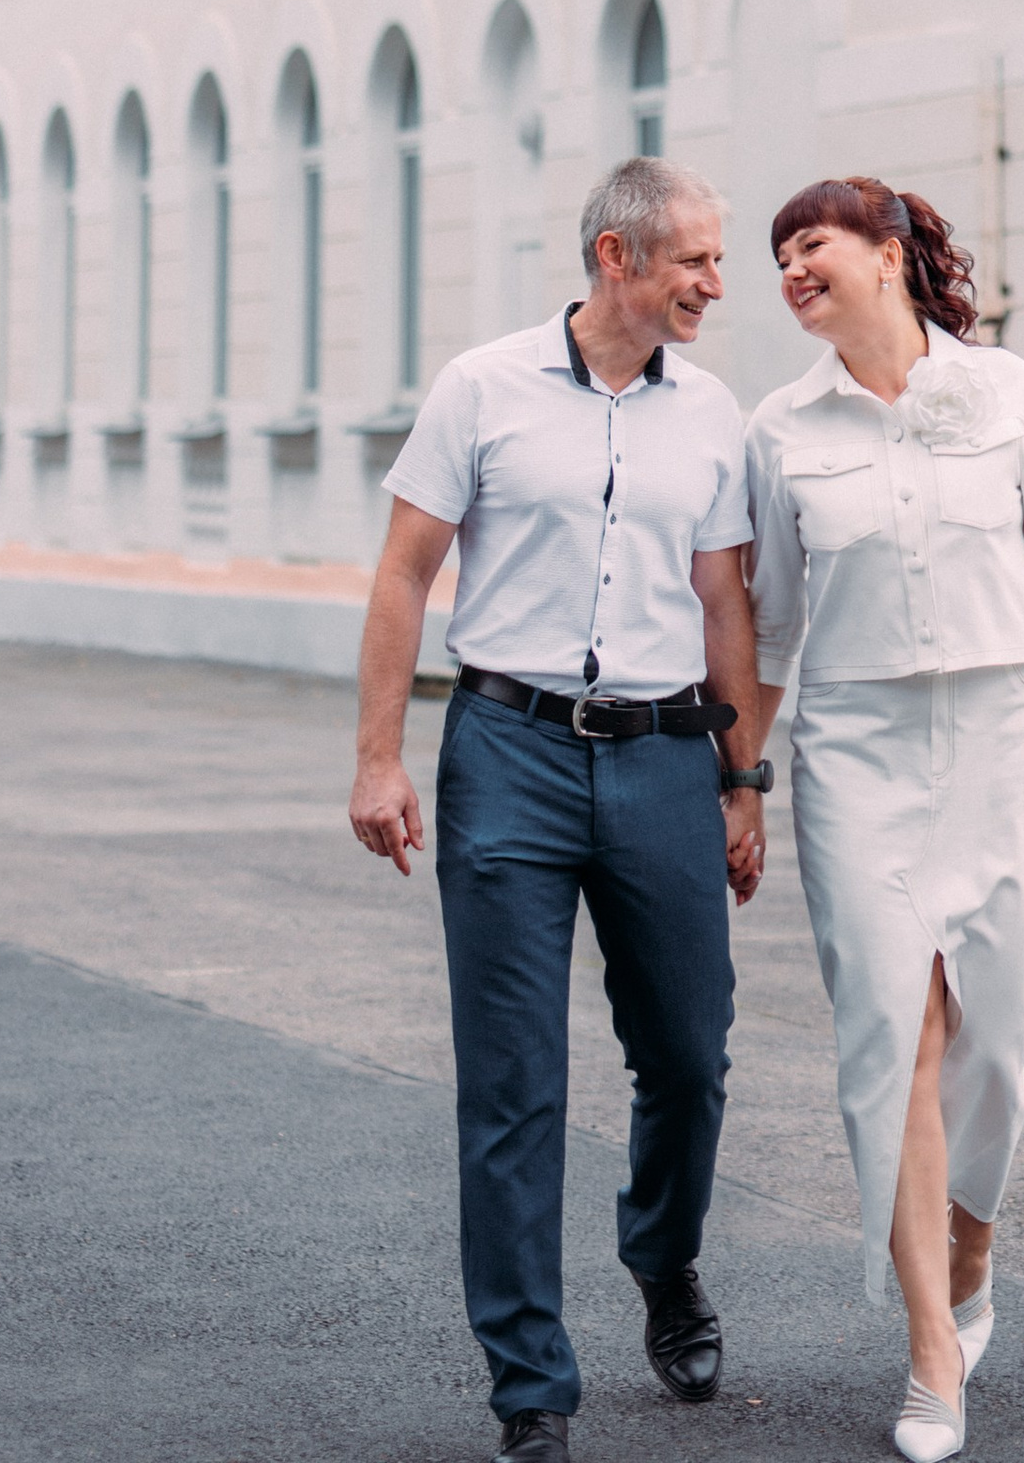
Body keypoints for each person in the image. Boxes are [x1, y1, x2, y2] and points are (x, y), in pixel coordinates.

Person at [742, 178, 1024, 1463]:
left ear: (888, 257)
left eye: (809, 244)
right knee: (892, 1032)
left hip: (1001, 738)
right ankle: (931, 1353)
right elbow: (769, 627)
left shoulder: (1009, 396)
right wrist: (741, 781)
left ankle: (973, 1244)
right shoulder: (775, 429)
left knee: (992, 1032)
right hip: (853, 753)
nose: (788, 268)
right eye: (776, 255)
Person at [350, 157, 774, 1462]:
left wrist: (744, 778)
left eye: (716, 260)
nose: (717, 282)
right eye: (695, 260)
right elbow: (406, 573)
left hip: (660, 759)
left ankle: (664, 1260)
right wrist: (380, 757)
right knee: (515, 1084)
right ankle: (530, 1383)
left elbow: (723, 606)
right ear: (615, 259)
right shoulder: (481, 388)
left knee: (689, 1056)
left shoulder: (714, 416)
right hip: (509, 752)